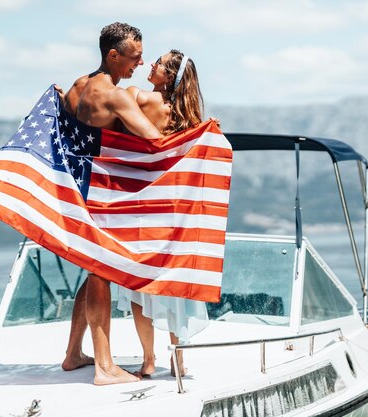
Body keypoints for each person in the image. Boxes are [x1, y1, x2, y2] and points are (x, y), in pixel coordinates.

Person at [57, 22, 162, 386]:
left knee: (91, 268)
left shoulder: (77, 87)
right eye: (134, 57)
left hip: (76, 189)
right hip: (104, 192)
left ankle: (74, 354)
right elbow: (156, 142)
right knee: (101, 270)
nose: (140, 63)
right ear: (113, 55)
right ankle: (104, 367)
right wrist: (201, 135)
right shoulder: (116, 96)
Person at [119, 50, 208, 377]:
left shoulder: (136, 97)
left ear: (168, 77)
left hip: (141, 205)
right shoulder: (189, 118)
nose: (150, 65)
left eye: (156, 62)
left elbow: (98, 105)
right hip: (171, 208)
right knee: (171, 284)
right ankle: (179, 360)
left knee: (137, 285)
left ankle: (148, 360)